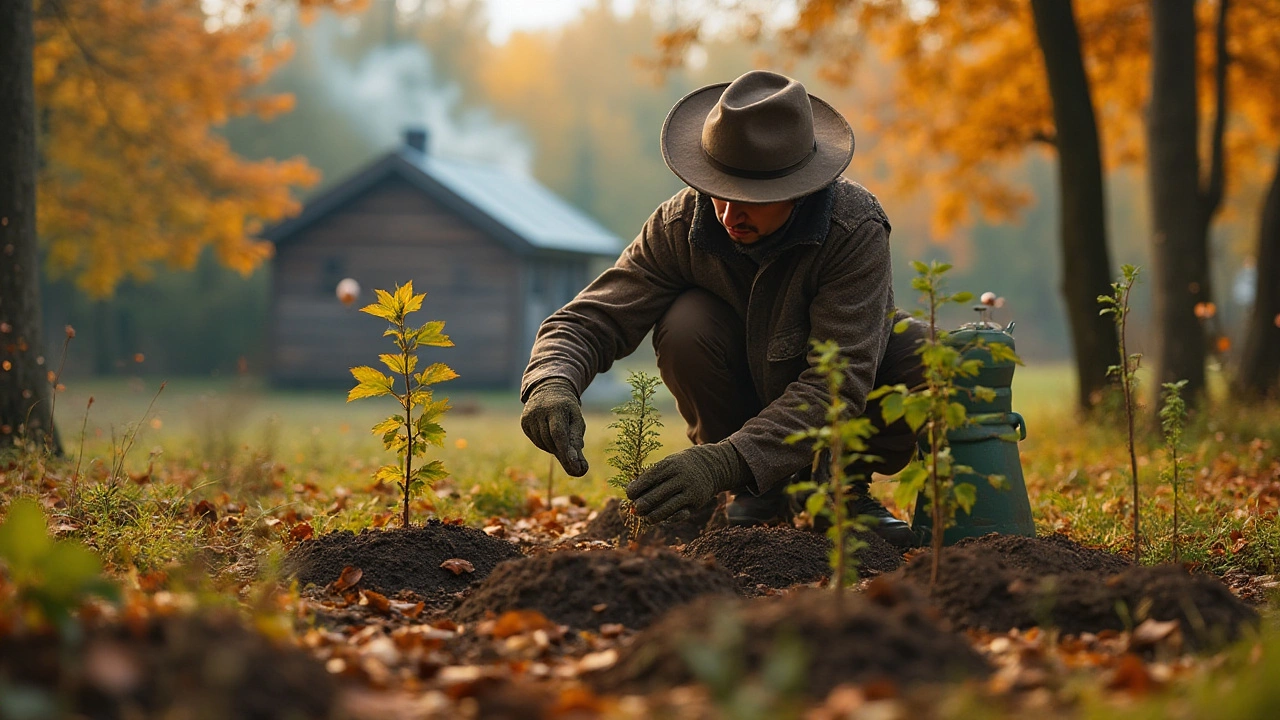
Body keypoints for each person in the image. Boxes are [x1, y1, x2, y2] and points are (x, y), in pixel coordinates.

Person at [519, 70, 924, 549]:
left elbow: (836, 387)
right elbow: (592, 318)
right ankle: (756, 491)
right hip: (741, 406)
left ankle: (841, 489)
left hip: (835, 404)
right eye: (719, 191)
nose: (729, 215)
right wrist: (551, 380)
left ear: (799, 188)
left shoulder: (854, 230)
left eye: (751, 199)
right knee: (686, 320)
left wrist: (722, 460)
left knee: (918, 349)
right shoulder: (680, 224)